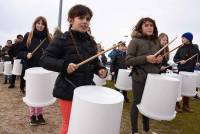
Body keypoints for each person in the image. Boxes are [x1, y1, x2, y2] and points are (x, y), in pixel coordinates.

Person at [40, 4, 107, 134]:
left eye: (87, 19)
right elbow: (44, 59)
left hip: (87, 90)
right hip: (67, 89)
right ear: (71, 20)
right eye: (81, 18)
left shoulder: (91, 42)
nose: (85, 22)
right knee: (70, 126)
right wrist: (64, 65)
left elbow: (95, 62)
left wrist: (100, 70)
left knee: (84, 125)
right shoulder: (61, 38)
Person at [126, 17, 162, 134]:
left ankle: (146, 130)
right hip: (139, 77)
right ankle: (134, 131)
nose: (149, 27)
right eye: (146, 25)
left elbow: (156, 61)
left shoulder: (156, 42)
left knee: (147, 104)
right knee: (137, 103)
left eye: (151, 25)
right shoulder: (134, 41)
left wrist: (158, 60)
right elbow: (128, 60)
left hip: (153, 78)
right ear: (140, 27)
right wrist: (146, 58)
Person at [18, 16, 52, 125]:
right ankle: (32, 115)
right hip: (30, 68)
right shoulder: (28, 35)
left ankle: (40, 114)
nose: (40, 25)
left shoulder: (48, 38)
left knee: (40, 92)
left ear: (45, 26)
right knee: (32, 92)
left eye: (43, 24)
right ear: (35, 24)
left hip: (43, 70)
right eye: (38, 23)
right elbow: (20, 51)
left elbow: (52, 53)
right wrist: (25, 54)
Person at [173, 32, 200, 112]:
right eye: (182, 38)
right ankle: (176, 105)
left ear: (189, 39)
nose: (182, 39)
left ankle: (185, 106)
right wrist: (180, 61)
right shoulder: (180, 48)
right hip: (181, 71)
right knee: (178, 89)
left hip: (190, 72)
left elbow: (198, 58)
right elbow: (175, 59)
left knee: (187, 89)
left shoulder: (195, 48)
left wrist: (198, 62)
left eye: (183, 38)